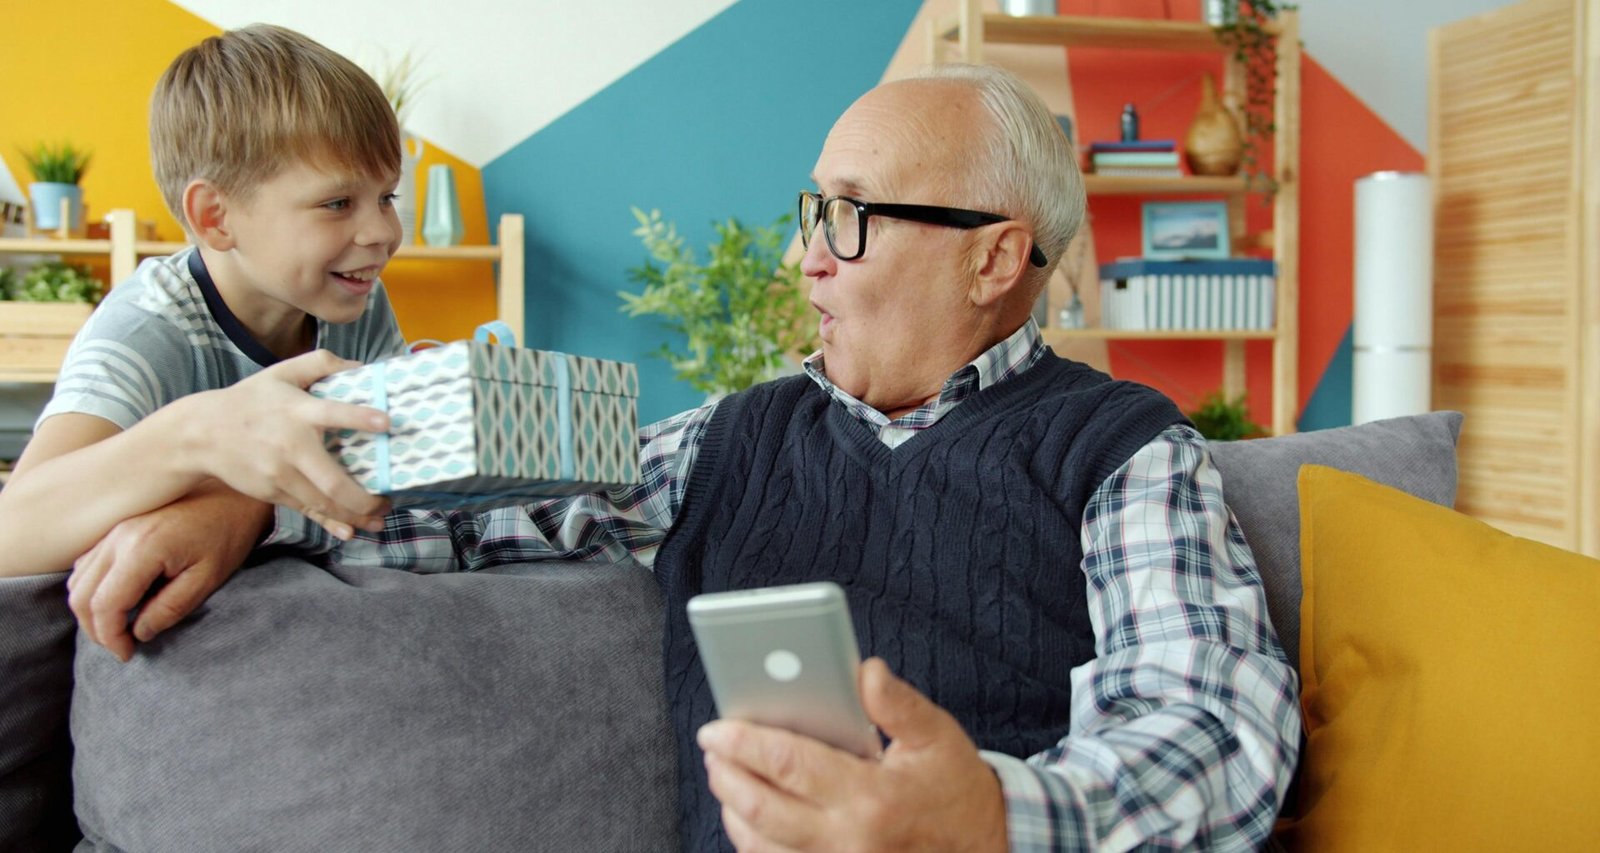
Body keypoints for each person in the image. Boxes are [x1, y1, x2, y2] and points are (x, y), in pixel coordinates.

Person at [67, 62, 1302, 850]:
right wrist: (245, 504)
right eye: (810, 215)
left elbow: (1221, 740)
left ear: (992, 259)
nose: (805, 259)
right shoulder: (727, 437)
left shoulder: (1125, 454)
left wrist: (987, 817)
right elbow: (462, 509)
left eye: (850, 219)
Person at [0, 24, 409, 662]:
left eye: (386, 196)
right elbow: (12, 530)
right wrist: (198, 435)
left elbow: (383, 463)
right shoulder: (149, 328)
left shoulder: (356, 300)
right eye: (337, 202)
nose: (381, 231)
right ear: (215, 218)